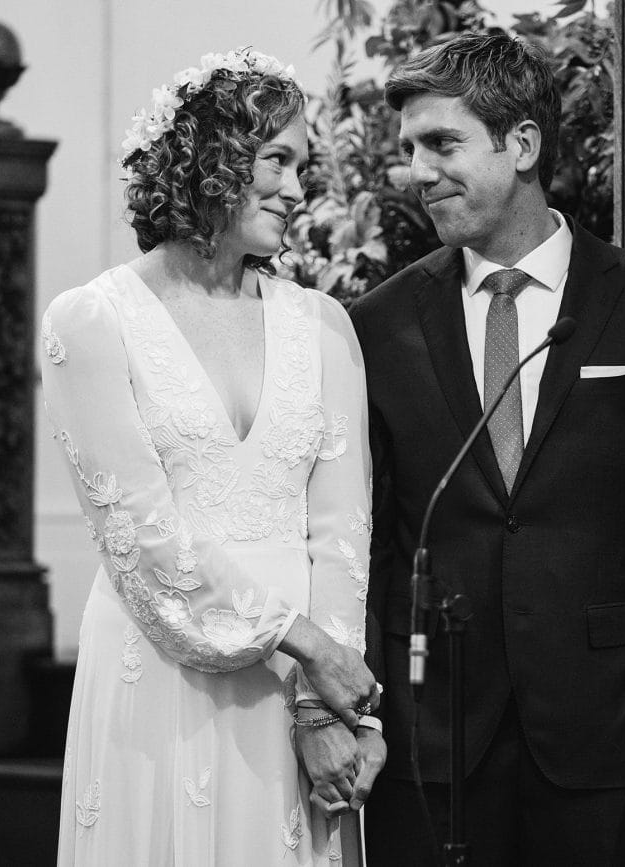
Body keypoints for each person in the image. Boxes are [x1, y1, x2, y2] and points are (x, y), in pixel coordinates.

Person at [348, 32, 625, 866]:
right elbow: (369, 545)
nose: (418, 171)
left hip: (611, 742)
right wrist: (367, 716)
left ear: (521, 143)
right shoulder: (376, 325)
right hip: (436, 744)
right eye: (410, 149)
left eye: (441, 144)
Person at [41, 47, 385, 865]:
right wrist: (304, 640)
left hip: (302, 699)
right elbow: (145, 544)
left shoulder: (324, 326)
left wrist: (327, 707)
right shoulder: (92, 322)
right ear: (206, 159)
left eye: (302, 165)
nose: (299, 190)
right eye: (277, 160)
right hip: (158, 679)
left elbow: (343, 535)